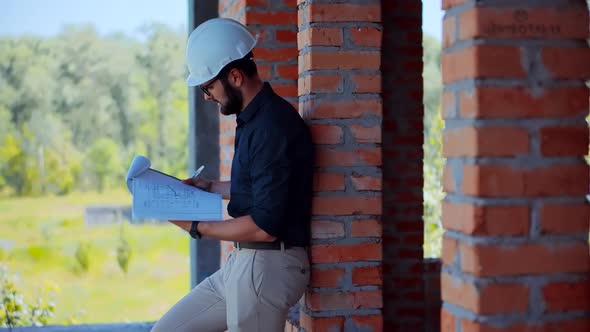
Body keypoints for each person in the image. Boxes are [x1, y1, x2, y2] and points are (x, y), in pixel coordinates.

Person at [150, 18, 313, 332]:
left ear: (235, 76)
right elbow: (260, 189)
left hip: (267, 265)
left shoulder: (272, 127)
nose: (208, 97)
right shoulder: (254, 120)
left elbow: (266, 227)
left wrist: (197, 227)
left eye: (209, 87)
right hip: (244, 263)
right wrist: (209, 187)